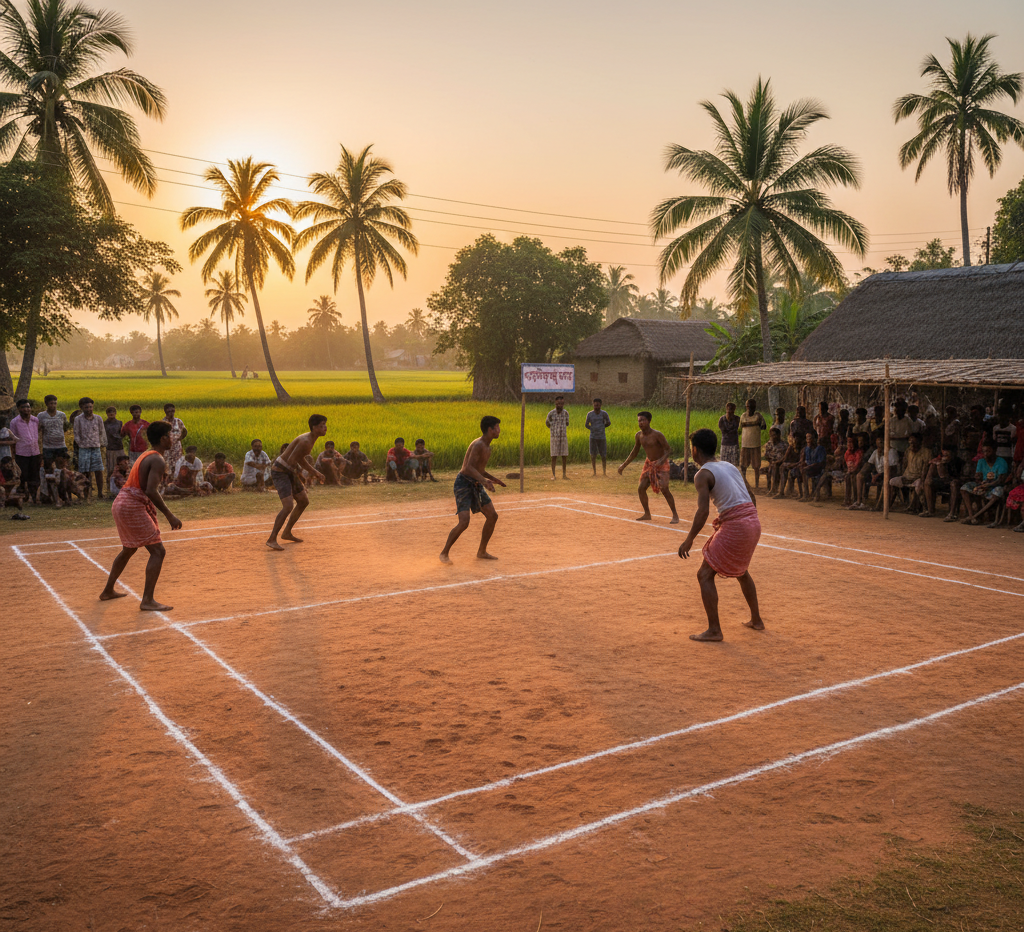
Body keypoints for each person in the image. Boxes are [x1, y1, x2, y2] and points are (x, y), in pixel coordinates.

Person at [678, 428, 764, 643]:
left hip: (738, 525)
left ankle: (714, 630)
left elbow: (703, 512)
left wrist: (689, 539)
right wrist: (744, 520)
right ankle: (756, 620)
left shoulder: (702, 474)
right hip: (753, 522)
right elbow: (751, 497)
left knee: (704, 575)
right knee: (742, 571)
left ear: (695, 450)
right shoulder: (729, 466)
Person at [99, 420, 182, 611]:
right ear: (163, 438)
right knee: (158, 551)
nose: (172, 438)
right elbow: (151, 490)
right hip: (131, 505)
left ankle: (108, 590)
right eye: (170, 435)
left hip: (122, 502)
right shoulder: (157, 459)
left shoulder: (147, 454)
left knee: (129, 549)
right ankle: (147, 600)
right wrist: (169, 515)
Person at [440, 415, 505, 562]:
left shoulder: (487, 447)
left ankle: (482, 551)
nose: (499, 430)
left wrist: (493, 479)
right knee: (464, 522)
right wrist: (484, 481)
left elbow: (479, 470)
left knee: (492, 516)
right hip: (463, 483)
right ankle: (444, 553)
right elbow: (467, 468)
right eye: (497, 427)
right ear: (490, 429)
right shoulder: (478, 445)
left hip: (476, 483)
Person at [267, 415, 328, 551]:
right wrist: (305, 476)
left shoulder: (310, 439)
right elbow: (292, 462)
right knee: (288, 506)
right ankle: (272, 539)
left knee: (303, 501)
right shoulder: (306, 441)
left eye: (325, 425)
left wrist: (315, 473)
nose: (325, 428)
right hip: (281, 472)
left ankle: (287, 532)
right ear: (314, 427)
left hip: (288, 470)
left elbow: (298, 459)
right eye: (322, 425)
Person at [618, 411, 680, 524]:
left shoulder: (657, 435)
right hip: (649, 464)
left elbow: (668, 449)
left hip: (662, 464)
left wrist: (661, 460)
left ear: (649, 421)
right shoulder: (638, 435)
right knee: (641, 488)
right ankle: (647, 514)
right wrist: (623, 465)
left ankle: (675, 515)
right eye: (639, 421)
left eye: (643, 420)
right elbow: (634, 452)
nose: (640, 423)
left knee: (664, 489)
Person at [959, 441, 1010, 525]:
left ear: (994, 450)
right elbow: (978, 477)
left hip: (995, 487)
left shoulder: (1001, 462)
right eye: (984, 451)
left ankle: (974, 516)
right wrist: (979, 481)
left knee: (998, 492)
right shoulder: (981, 461)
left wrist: (987, 485)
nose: (985, 454)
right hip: (983, 486)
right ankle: (971, 515)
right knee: (964, 488)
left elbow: (1001, 480)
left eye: (988, 451)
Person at [73, 397, 106, 500]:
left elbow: (101, 431)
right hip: (84, 448)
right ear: (81, 407)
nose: (89, 409)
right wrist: (81, 444)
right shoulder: (78, 419)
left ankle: (100, 493)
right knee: (85, 472)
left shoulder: (98, 418)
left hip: (96, 448)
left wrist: (101, 443)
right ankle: (86, 494)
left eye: (90, 407)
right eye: (86, 407)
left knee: (98, 471)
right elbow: (76, 434)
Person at [9, 399, 41, 502]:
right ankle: (23, 496)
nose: (26, 409)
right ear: (18, 409)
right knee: (23, 475)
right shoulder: (14, 422)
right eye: (23, 407)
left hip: (35, 452)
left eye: (28, 407)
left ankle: (34, 496)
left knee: (35, 475)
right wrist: (13, 455)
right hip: (21, 453)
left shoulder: (35, 420)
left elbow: (38, 435)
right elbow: (13, 439)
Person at [889, 433, 928, 512]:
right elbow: (905, 464)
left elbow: (926, 467)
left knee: (918, 485)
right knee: (892, 481)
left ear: (919, 442)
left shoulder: (926, 452)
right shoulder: (908, 451)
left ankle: (922, 508)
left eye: (914, 443)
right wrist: (902, 475)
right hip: (907, 476)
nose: (912, 445)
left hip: (918, 477)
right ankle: (889, 505)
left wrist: (922, 479)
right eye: (910, 443)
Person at [924, 444, 963, 519]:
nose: (945, 457)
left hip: (955, 483)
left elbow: (961, 477)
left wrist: (948, 477)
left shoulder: (959, 462)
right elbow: (942, 477)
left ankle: (952, 514)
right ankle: (930, 510)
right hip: (944, 482)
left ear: (953, 454)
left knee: (954, 484)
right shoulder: (941, 462)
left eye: (947, 455)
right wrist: (939, 467)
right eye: (944, 455)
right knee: (928, 482)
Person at [739, 398, 766, 488]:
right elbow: (739, 428)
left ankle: (756, 484)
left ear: (755, 407)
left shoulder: (758, 416)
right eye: (748, 406)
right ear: (746, 406)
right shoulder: (743, 416)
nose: (749, 408)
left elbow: (764, 426)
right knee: (743, 465)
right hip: (745, 444)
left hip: (755, 444)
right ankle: (744, 483)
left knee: (756, 466)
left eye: (752, 406)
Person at [37, 395, 70, 470]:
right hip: (48, 447)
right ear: (46, 404)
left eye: (55, 403)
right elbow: (38, 429)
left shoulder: (62, 415)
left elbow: (65, 427)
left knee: (62, 468)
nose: (53, 405)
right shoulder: (41, 416)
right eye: (51, 403)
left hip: (61, 445)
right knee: (48, 468)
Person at [585, 398, 611, 476]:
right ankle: (594, 472)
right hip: (593, 437)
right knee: (593, 455)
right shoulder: (590, 414)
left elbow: (609, 423)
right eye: (595, 405)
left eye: (598, 405)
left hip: (602, 437)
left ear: (601, 405)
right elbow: (586, 424)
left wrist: (602, 427)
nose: (596, 407)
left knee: (603, 455)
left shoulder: (604, 414)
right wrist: (592, 428)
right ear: (593, 405)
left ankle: (604, 473)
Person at [546, 395, 570, 480]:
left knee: (564, 456)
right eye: (558, 403)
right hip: (554, 437)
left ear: (563, 404)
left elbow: (567, 423)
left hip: (563, 437)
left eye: (561, 403)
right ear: (555, 403)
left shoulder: (566, 413)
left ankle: (564, 475)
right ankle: (554, 475)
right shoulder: (551, 414)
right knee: (554, 456)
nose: (560, 405)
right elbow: (547, 423)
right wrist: (554, 430)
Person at [763, 427, 789, 494]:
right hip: (772, 462)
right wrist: (772, 461)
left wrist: (777, 462)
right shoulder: (769, 444)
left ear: (779, 435)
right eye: (771, 435)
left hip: (781, 462)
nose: (773, 437)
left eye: (774, 435)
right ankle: (771, 489)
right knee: (771, 468)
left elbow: (785, 457)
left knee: (775, 467)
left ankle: (774, 489)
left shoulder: (784, 445)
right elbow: (766, 455)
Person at [841, 435, 864, 507]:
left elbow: (858, 464)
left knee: (854, 477)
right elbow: (846, 463)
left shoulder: (858, 452)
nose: (849, 444)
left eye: (851, 442)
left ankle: (855, 499)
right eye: (848, 442)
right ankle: (847, 499)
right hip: (850, 470)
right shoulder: (847, 452)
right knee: (847, 476)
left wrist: (852, 470)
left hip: (858, 470)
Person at [162, 403, 187, 469]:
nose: (171, 413)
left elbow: (184, 431)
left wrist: (179, 439)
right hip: (167, 448)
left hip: (177, 447)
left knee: (177, 465)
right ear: (165, 412)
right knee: (167, 465)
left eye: (172, 411)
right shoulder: (163, 422)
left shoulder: (178, 421)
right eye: (169, 411)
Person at [103, 406, 124, 483]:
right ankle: (109, 486)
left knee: (121, 467)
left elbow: (122, 434)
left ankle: (121, 484)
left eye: (113, 412)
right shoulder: (104, 424)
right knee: (110, 469)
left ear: (115, 413)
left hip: (119, 447)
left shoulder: (120, 423)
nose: (111, 414)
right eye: (109, 412)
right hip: (110, 448)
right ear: (107, 414)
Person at [718, 401, 740, 466]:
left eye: (731, 410)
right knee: (724, 465)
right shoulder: (722, 419)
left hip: (734, 444)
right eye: (729, 410)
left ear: (734, 410)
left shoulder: (737, 419)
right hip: (725, 444)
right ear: (726, 409)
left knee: (734, 465)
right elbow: (723, 430)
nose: (730, 411)